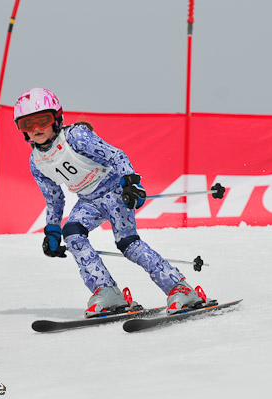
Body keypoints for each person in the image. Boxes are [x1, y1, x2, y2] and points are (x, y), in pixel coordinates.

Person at [14, 88, 208, 318]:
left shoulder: (75, 137)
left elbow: (115, 155)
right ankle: (106, 291)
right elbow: (54, 198)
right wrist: (53, 230)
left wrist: (130, 183)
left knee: (128, 244)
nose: (36, 129)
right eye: (27, 124)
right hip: (89, 200)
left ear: (56, 118)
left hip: (115, 191)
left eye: (42, 120)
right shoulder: (37, 162)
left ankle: (181, 289)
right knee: (73, 234)